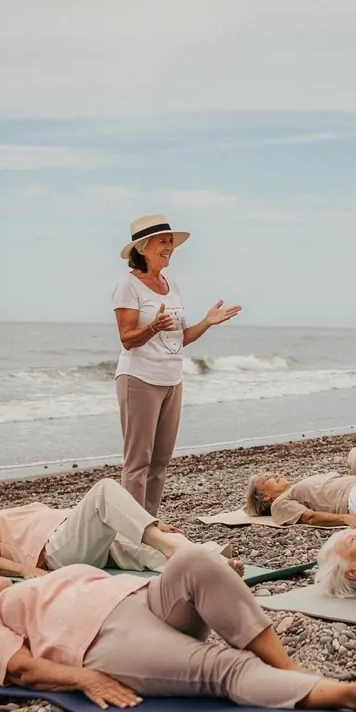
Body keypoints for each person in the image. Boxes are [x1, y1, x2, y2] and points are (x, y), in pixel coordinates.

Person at [0, 549, 356, 712]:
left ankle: (289, 669)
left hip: (140, 600)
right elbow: (24, 671)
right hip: (103, 642)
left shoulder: (36, 582)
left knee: (195, 561)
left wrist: (206, 580)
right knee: (223, 666)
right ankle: (345, 695)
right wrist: (83, 679)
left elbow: (118, 583)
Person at [113, 213, 242, 515]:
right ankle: (134, 532)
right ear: (143, 247)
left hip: (172, 380)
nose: (170, 246)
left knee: (160, 461)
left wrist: (207, 322)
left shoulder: (171, 284)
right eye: (163, 241)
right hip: (139, 380)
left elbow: (179, 339)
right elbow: (127, 339)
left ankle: (151, 524)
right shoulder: (128, 286)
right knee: (138, 462)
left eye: (172, 241)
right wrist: (152, 328)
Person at [0, 478, 236, 579]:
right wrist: (24, 571)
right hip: (55, 551)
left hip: (80, 537)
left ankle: (215, 566)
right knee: (104, 488)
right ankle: (167, 543)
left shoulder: (6, 515)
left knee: (152, 549)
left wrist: (143, 524)